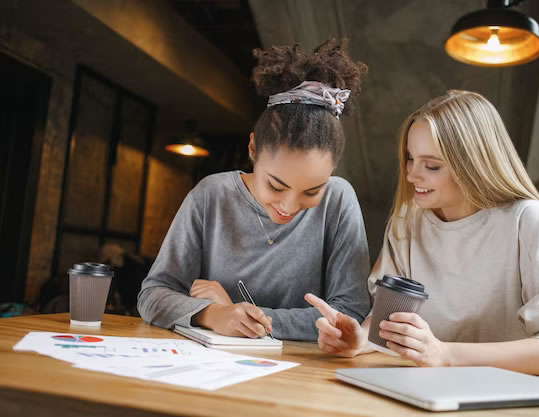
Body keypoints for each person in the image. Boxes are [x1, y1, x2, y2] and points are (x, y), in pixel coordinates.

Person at [306, 90, 539, 376]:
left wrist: (445, 355)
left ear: (472, 164)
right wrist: (361, 340)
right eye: (410, 158)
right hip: (427, 391)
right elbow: (389, 323)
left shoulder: (526, 220)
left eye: (431, 165)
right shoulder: (407, 222)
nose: (412, 175)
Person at [138, 39, 370, 341]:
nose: (288, 205)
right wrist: (214, 314)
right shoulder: (212, 195)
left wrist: (241, 312)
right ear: (252, 149)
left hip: (303, 376)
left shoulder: (338, 201)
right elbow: (152, 295)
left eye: (312, 191)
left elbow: (349, 314)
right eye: (276, 185)